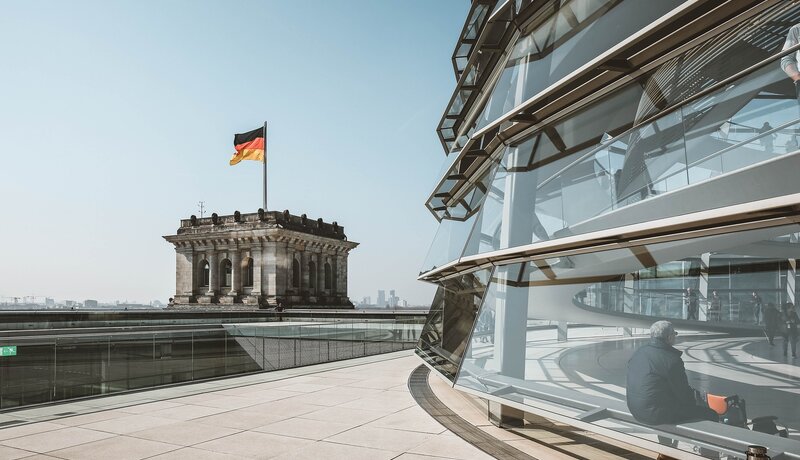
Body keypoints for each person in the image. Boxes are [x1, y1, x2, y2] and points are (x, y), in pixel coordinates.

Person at [626, 321, 718, 426]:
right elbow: (683, 394)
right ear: (669, 337)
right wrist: (698, 403)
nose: (675, 336)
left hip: (635, 409)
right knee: (711, 414)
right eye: (675, 334)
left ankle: (664, 440)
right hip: (655, 415)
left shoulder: (639, 352)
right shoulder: (672, 360)